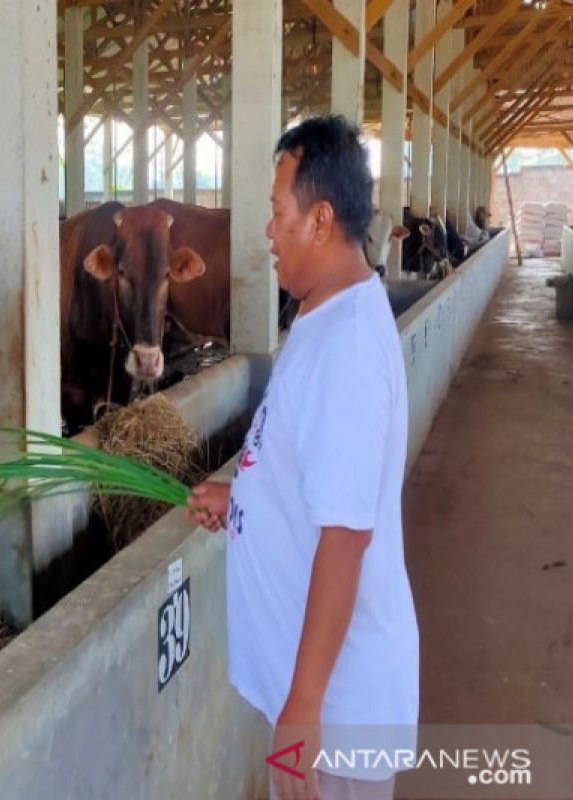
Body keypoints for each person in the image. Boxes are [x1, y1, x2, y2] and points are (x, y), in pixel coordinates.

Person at [188, 115, 419, 800]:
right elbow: (316, 475)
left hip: (338, 717)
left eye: (275, 212)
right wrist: (245, 503)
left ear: (319, 221)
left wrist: (304, 708)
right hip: (320, 696)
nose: (267, 232)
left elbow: (345, 537)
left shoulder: (345, 347)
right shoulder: (324, 318)